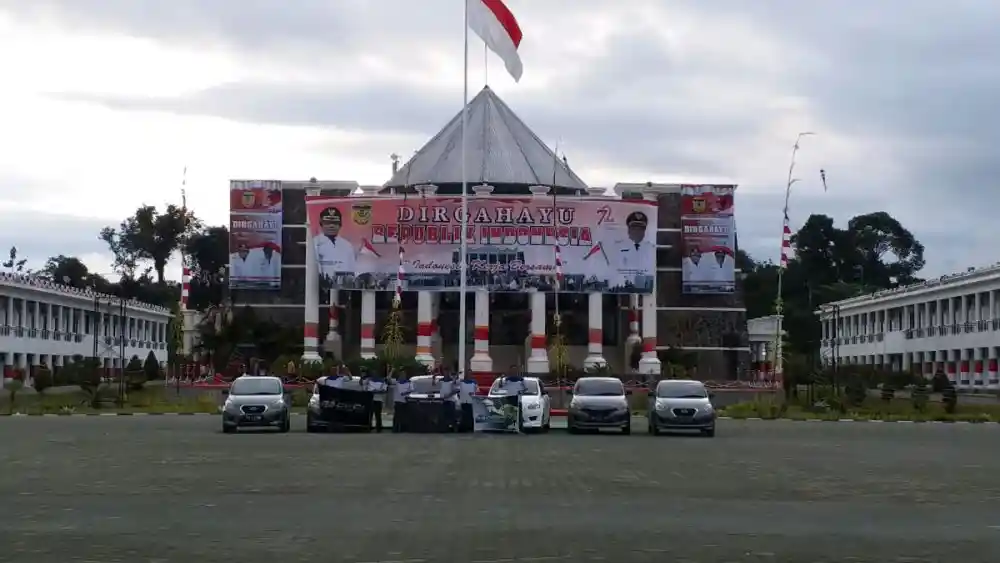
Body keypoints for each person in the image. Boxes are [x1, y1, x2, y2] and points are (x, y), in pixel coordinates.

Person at [313, 207, 358, 280]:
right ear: (321, 224)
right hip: (320, 286)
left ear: (340, 225)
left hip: (343, 286)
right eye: (327, 223)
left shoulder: (347, 245)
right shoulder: (314, 243)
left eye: (335, 223)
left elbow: (352, 269)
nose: (331, 226)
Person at [613, 211, 655, 288]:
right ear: (629, 230)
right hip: (622, 288)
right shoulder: (618, 247)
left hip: (645, 287)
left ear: (644, 231)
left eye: (641, 229)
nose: (637, 231)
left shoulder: (651, 248)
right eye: (634, 228)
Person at [363, 366, 388, 432]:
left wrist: (376, 391)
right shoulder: (368, 380)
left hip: (378, 400)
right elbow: (364, 387)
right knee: (369, 415)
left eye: (375, 373)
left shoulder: (382, 381)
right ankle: (368, 427)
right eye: (373, 373)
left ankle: (379, 428)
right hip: (370, 400)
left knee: (378, 415)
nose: (374, 374)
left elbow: (384, 390)